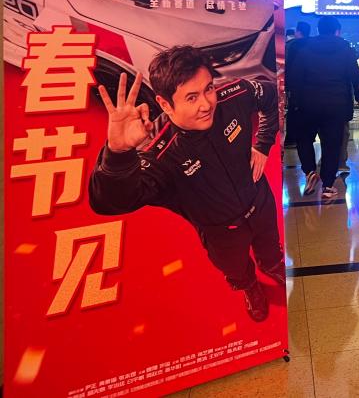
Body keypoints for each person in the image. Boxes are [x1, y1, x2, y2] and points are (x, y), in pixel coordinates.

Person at [89, 47, 282, 322]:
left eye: (208, 89)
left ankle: (271, 264)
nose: (206, 104)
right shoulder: (160, 152)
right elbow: (109, 202)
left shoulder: (234, 95)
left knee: (271, 247)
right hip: (221, 232)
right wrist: (118, 153)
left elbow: (270, 95)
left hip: (261, 201)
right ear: (165, 104)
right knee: (236, 269)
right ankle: (249, 287)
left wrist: (262, 144)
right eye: (191, 97)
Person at [287, 16, 359, 198]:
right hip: (336, 105)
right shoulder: (346, 50)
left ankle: (310, 170)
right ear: (337, 31)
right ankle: (327, 185)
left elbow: (294, 77)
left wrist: (296, 101)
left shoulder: (304, 49)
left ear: (318, 30)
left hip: (307, 104)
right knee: (332, 145)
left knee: (304, 139)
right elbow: (355, 75)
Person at [283, 20, 311, 147]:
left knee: (293, 111)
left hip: (294, 84)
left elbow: (287, 65)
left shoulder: (290, 46)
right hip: (310, 85)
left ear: (297, 32)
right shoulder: (312, 45)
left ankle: (291, 139)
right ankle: (305, 138)